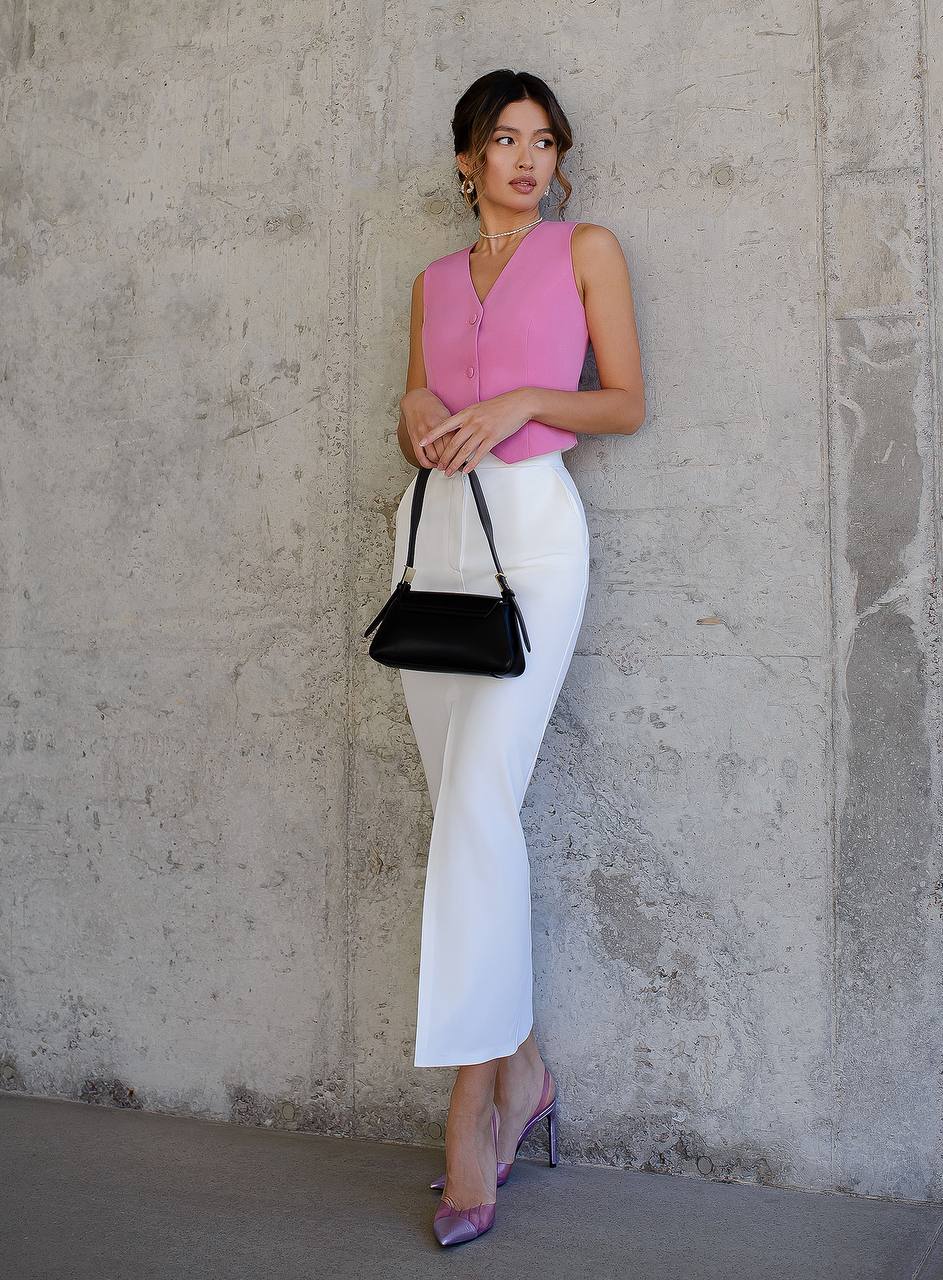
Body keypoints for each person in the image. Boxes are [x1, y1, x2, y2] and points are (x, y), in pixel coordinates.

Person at [391, 68, 644, 1247]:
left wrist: (527, 400)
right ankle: (526, 1063)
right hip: (433, 539)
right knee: (463, 808)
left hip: (532, 536)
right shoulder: (432, 281)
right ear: (465, 160)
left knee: (476, 810)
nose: (526, 159)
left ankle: (473, 1110)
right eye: (504, 140)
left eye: (543, 141)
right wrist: (415, 412)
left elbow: (627, 401)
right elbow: (414, 392)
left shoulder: (586, 249)